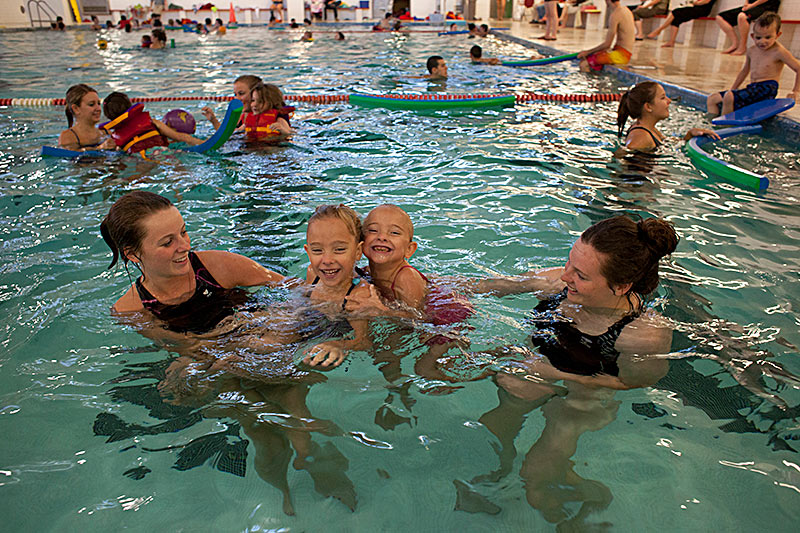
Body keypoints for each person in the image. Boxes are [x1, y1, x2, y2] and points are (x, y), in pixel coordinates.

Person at [100, 191, 286, 333]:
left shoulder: (219, 266)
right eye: (167, 242)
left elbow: (294, 287)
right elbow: (187, 349)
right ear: (132, 254)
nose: (185, 246)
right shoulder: (131, 309)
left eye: (183, 232)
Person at [707, 12, 800, 116]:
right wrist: (733, 88)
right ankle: (710, 124)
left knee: (729, 97)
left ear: (778, 35)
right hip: (753, 87)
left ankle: (724, 126)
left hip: (767, 89)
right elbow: (744, 71)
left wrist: (795, 91)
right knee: (712, 99)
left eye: (768, 37)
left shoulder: (779, 52)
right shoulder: (752, 51)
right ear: (752, 36)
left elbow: (798, 68)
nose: (762, 41)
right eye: (758, 38)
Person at [617, 81, 720, 151]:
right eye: (663, 98)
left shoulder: (649, 129)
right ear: (648, 107)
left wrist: (690, 134)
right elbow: (624, 156)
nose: (669, 101)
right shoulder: (641, 137)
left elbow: (670, 143)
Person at [100, 92, 207, 156]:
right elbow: (180, 137)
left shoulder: (115, 138)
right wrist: (203, 142)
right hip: (160, 152)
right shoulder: (151, 121)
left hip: (136, 160)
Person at [577, 0, 635, 72]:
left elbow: (607, 44)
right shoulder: (626, 10)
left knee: (584, 64)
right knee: (591, 57)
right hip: (625, 53)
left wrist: (587, 52)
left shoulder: (615, 15)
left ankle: (590, 82)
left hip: (621, 55)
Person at [58, 84, 115, 151]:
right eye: (91, 104)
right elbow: (68, 155)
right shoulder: (69, 136)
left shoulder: (106, 133)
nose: (98, 108)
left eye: (98, 103)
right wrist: (99, 148)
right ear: (76, 109)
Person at [716, 1, 782, 55]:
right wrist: (746, 4)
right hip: (752, 5)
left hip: (767, 6)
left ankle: (742, 47)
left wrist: (752, 5)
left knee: (742, 16)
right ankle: (734, 44)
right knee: (720, 17)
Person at [646, 0, 716, 47]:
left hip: (702, 10)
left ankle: (659, 30)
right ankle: (671, 42)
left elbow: (706, 1)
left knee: (675, 12)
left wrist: (695, 3)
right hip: (696, 8)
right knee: (676, 20)